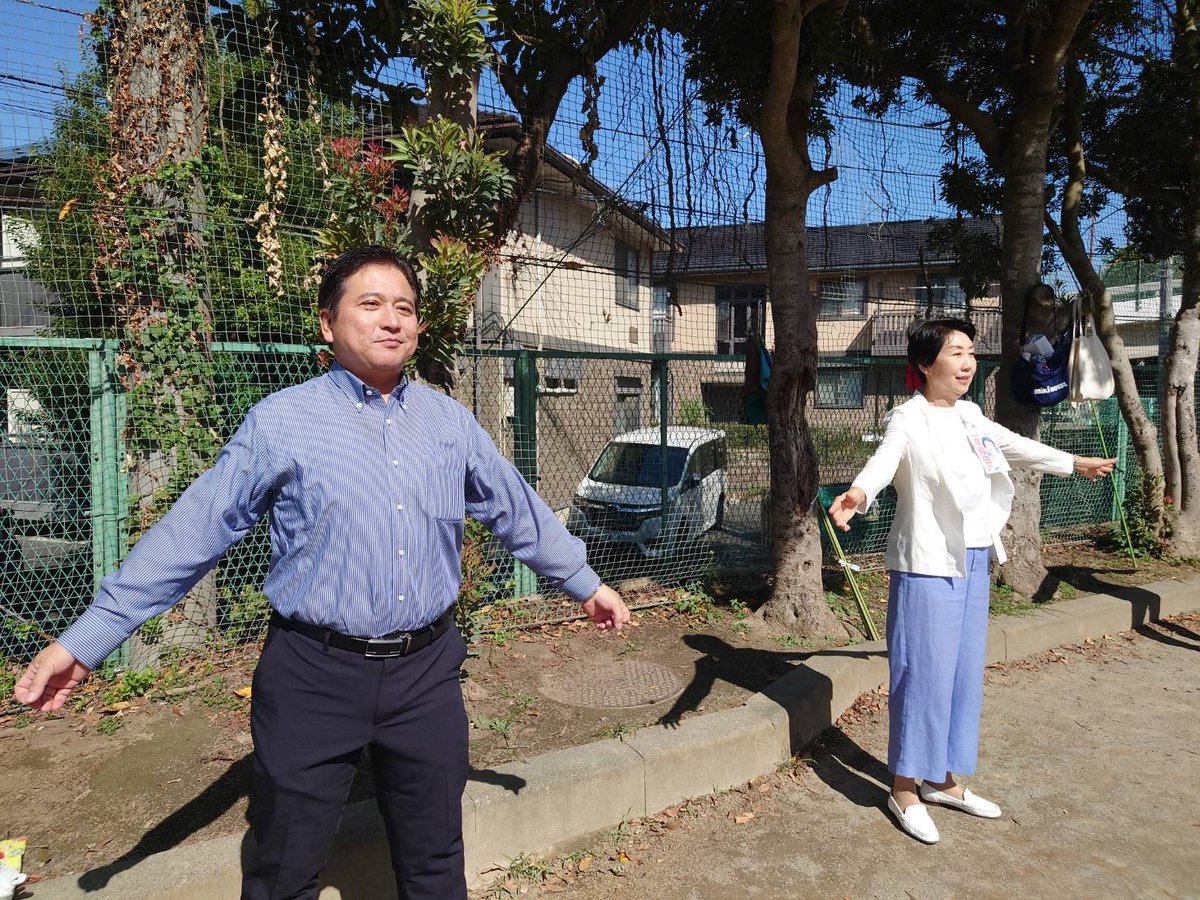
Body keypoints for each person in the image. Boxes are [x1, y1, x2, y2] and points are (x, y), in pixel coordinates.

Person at [13, 246, 630, 898]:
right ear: (328, 324)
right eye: (371, 304)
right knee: (283, 868)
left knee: (435, 861)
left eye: (404, 308)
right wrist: (87, 639)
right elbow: (195, 529)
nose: (391, 319)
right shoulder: (282, 423)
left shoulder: (449, 424)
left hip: (425, 675)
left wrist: (584, 583)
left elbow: (516, 509)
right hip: (312, 675)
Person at [827, 318, 1114, 845]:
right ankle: (904, 788)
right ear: (924, 364)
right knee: (921, 677)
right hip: (926, 565)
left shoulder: (971, 415)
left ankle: (942, 780)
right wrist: (858, 494)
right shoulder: (907, 419)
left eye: (970, 352)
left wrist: (1073, 462)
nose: (967, 363)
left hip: (974, 558)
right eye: (955, 352)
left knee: (960, 675)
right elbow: (883, 462)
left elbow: (1013, 444)